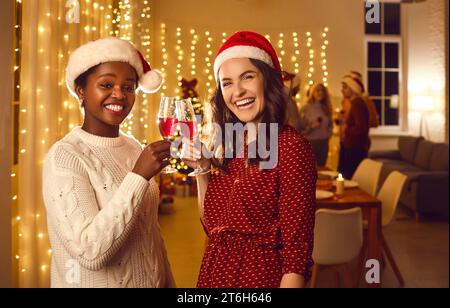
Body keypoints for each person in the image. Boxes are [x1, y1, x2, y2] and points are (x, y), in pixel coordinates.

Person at [182, 31, 317, 288]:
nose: (238, 91)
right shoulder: (229, 141)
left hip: (259, 278)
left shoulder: (290, 146)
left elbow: (295, 257)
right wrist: (202, 169)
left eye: (247, 76)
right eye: (227, 83)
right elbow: (214, 228)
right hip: (215, 274)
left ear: (267, 81)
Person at [42, 38, 175, 288]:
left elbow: (151, 238)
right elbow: (90, 252)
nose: (119, 94)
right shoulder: (64, 157)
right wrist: (138, 177)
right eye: (106, 84)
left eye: (128, 87)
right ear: (81, 91)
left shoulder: (134, 147)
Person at [337, 74, 370, 179]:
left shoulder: (357, 104)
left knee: (348, 178)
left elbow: (361, 128)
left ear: (353, 88)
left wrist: (347, 130)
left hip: (354, 149)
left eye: (345, 87)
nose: (342, 90)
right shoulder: (355, 103)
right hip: (353, 147)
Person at [299, 83, 333, 167]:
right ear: (313, 92)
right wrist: (310, 127)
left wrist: (328, 135)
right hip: (310, 143)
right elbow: (299, 128)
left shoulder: (326, 108)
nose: (320, 92)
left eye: (322, 91)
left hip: (324, 144)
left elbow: (330, 125)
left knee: (321, 169)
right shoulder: (305, 108)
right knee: (309, 170)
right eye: (318, 90)